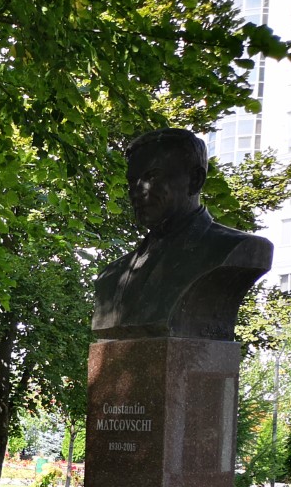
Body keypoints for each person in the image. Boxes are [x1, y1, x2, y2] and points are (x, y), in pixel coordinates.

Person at [91, 128, 272, 342]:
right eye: (132, 181)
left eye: (152, 176)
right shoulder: (111, 275)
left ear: (195, 179)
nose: (136, 191)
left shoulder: (236, 249)